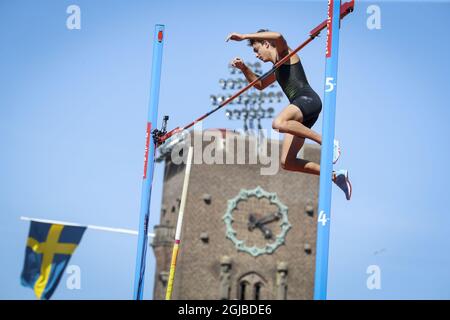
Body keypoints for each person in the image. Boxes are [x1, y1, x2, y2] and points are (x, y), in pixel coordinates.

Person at [226, 29, 351, 200]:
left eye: (256, 50)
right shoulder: (277, 68)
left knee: (278, 123)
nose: (256, 55)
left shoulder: (284, 53)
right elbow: (260, 84)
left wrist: (244, 36)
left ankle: (327, 143)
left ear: (266, 44)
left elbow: (278, 36)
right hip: (301, 112)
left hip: (308, 100)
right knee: (287, 162)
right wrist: (243, 68)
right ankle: (335, 176)